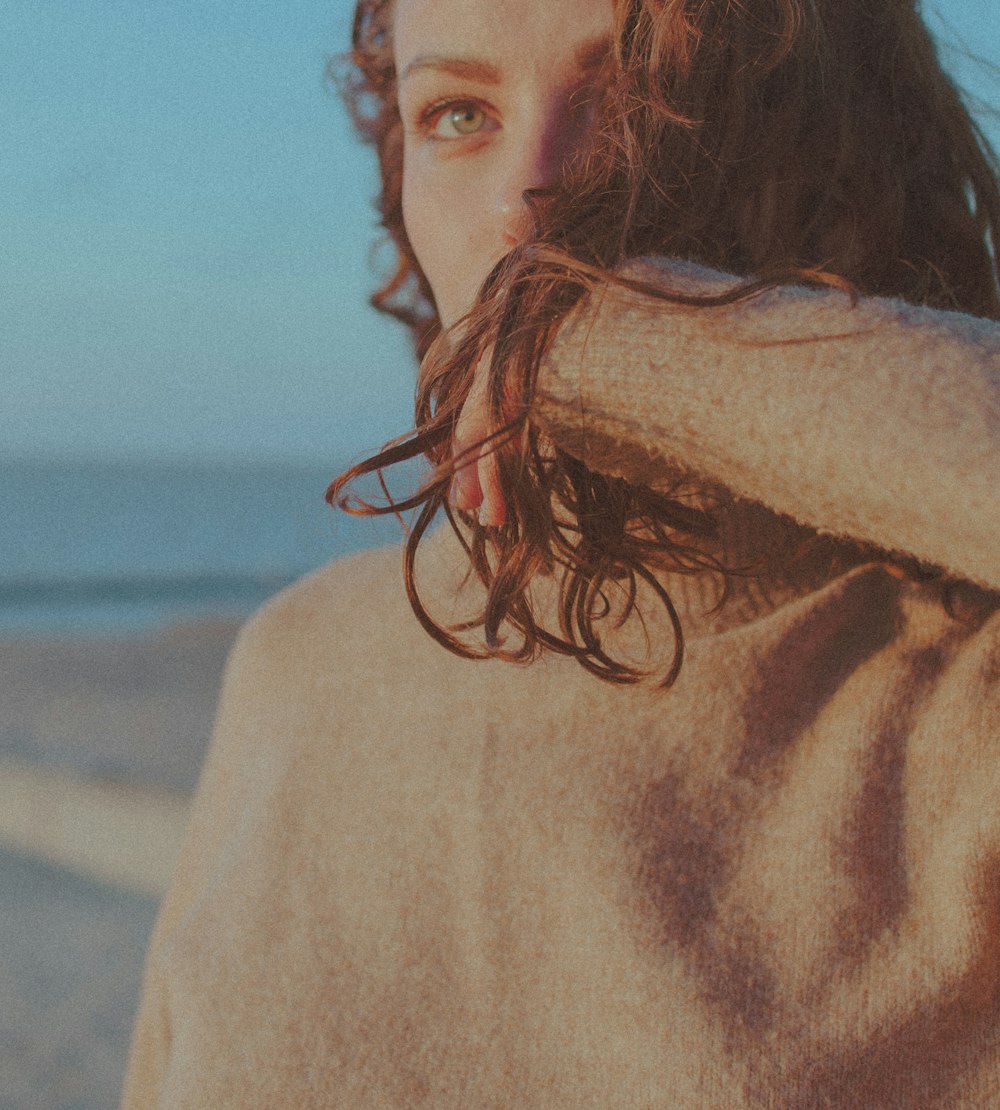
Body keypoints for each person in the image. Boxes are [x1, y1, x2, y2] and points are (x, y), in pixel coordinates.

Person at [123, 0, 1000, 1105]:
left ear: (820, 149)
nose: (524, 198)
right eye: (456, 113)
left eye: (637, 100)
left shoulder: (953, 692)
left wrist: (605, 337)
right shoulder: (294, 662)